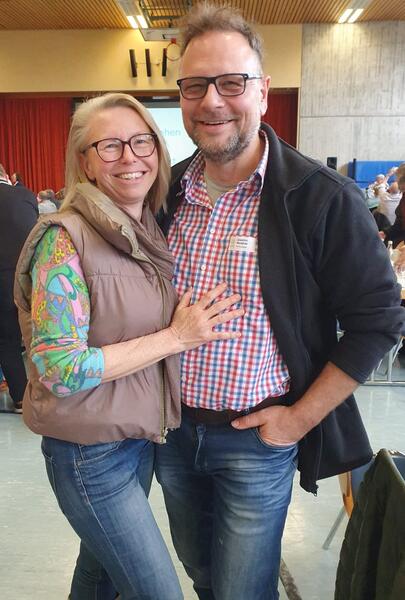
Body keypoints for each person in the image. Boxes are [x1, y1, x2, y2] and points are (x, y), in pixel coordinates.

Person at [69, 6, 405, 600]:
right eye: (195, 85)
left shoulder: (320, 198)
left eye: (231, 82)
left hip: (257, 439)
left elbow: (377, 323)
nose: (212, 101)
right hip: (171, 436)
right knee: (202, 575)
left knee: (243, 591)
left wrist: (297, 420)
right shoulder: (163, 193)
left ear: (263, 92)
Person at [14, 93, 243, 600]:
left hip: (135, 442)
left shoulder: (144, 230)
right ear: (86, 162)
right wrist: (175, 337)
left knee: (98, 578)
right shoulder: (64, 238)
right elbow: (59, 368)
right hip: (89, 454)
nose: (130, 157)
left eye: (142, 142)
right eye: (110, 145)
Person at [0, 163, 38, 412]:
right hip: (31, 276)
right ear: (5, 175)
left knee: (7, 341)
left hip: (1, 280)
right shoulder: (25, 195)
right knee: (38, 335)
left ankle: (22, 397)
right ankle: (46, 391)